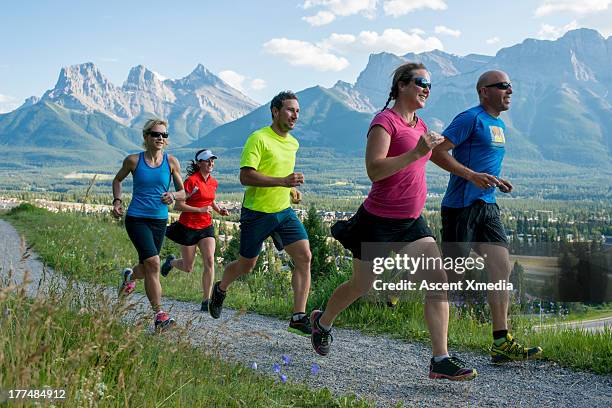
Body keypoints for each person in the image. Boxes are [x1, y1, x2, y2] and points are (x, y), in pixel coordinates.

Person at [310, 63, 477, 381]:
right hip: (377, 221)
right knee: (361, 285)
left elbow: (434, 155)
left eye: (430, 84)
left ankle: (439, 359)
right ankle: (323, 321)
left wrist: (469, 173)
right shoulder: (383, 122)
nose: (427, 88)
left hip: (411, 222)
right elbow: (374, 169)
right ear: (401, 85)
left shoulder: (420, 123)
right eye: (421, 82)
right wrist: (416, 153)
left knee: (437, 280)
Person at [430, 70, 543, 363]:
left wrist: (495, 180)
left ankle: (501, 341)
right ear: (483, 91)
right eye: (503, 86)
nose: (510, 91)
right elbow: (438, 152)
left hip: (487, 204)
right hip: (461, 206)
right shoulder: (470, 118)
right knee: (451, 275)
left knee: (501, 266)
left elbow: (481, 164)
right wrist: (471, 176)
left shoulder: (499, 124)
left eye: (511, 86)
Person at [208, 91, 312, 336]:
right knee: (246, 266)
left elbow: (280, 175)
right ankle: (221, 288)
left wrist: (290, 192)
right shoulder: (258, 138)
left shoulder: (293, 143)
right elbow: (246, 176)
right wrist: (283, 181)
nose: (295, 115)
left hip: (283, 212)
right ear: (275, 111)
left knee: (305, 257)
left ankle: (298, 316)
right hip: (257, 213)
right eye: (289, 109)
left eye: (297, 111)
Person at [112, 118, 184, 332]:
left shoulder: (171, 162)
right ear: (146, 137)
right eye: (155, 134)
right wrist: (117, 201)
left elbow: (184, 192)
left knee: (146, 266)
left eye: (164, 135)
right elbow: (117, 180)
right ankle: (160, 315)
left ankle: (129, 277)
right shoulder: (133, 160)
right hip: (136, 218)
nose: (160, 138)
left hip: (159, 220)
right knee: (153, 262)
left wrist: (172, 195)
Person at [160, 149, 230, 312]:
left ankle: (206, 301)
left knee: (210, 261)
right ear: (199, 163)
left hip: (206, 227)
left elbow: (210, 200)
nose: (211, 163)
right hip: (188, 227)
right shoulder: (191, 181)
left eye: (212, 160)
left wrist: (219, 210)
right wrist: (199, 210)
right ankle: (171, 262)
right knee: (187, 267)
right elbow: (178, 205)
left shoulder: (213, 182)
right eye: (207, 160)